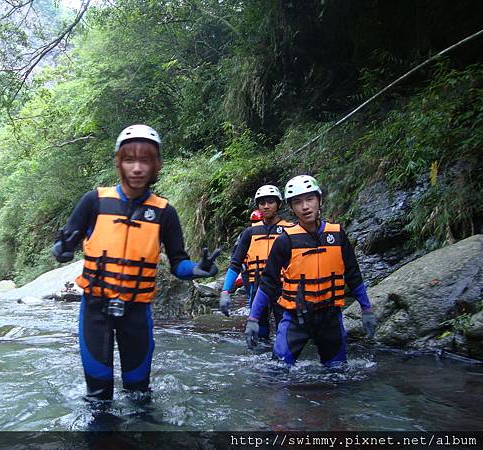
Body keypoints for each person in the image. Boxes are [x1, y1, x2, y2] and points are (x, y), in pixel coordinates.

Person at [51, 124, 220, 402]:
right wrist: (61, 250)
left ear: (156, 165)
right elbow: (65, 243)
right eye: (130, 160)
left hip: (137, 313)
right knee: (98, 397)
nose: (137, 168)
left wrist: (197, 271)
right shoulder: (93, 201)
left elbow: (179, 263)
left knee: (139, 395)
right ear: (119, 162)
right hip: (95, 310)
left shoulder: (165, 212)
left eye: (145, 160)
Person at [245, 175, 377, 367]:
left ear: (319, 200)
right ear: (291, 207)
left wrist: (367, 309)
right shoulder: (285, 240)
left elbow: (353, 275)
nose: (305, 207)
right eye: (297, 202)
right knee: (276, 373)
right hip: (295, 319)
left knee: (337, 374)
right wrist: (253, 318)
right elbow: (268, 281)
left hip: (330, 318)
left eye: (310, 199)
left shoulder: (337, 234)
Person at [220, 185, 293, 340]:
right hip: (257, 285)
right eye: (262, 203)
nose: (266, 206)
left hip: (284, 286)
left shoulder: (291, 230)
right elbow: (235, 263)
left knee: (285, 328)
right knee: (259, 330)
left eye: (270, 202)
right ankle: (260, 360)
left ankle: (282, 358)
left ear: (279, 204)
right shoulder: (250, 232)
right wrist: (225, 291)